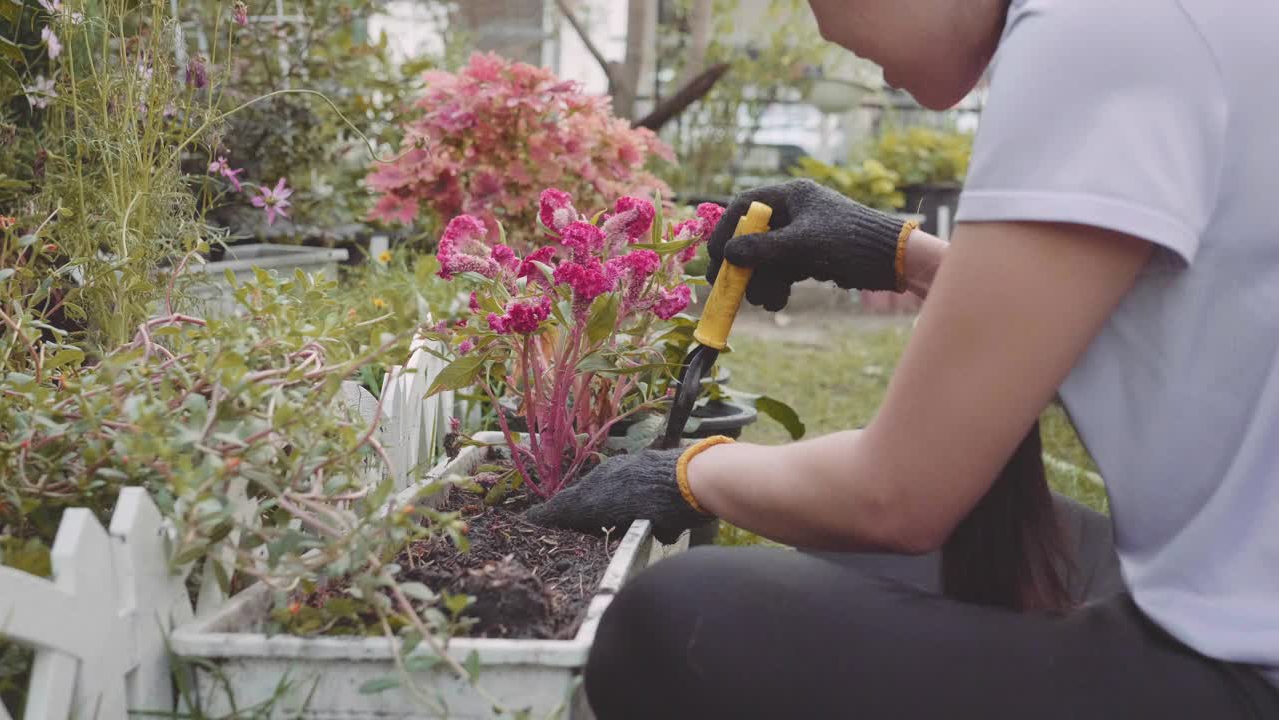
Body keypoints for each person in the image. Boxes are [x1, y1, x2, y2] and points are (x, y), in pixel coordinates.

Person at [526, 0, 1279, 717]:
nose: (819, 22)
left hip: (1242, 671)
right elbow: (1120, 323)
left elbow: (896, 496)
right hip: (1227, 591)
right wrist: (896, 254)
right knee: (889, 554)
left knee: (668, 626)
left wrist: (687, 471)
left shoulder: (1100, 30)